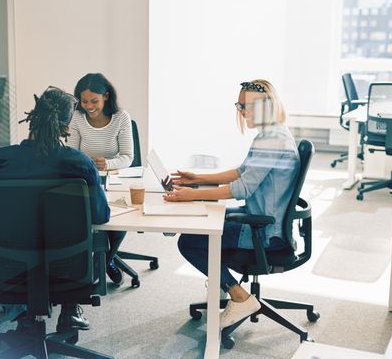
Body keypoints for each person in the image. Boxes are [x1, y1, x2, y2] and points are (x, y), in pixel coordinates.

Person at [0, 86, 111, 333]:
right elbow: (101, 216)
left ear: (32, 117)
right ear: (66, 127)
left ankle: (24, 317)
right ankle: (69, 311)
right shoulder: (80, 164)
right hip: (69, 272)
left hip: (7, 271)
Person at [163, 79, 300, 328]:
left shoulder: (272, 140)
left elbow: (242, 188)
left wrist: (192, 194)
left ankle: (239, 295)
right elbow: (241, 172)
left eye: (247, 106)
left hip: (265, 232)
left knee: (189, 242)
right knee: (206, 219)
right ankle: (222, 282)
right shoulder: (273, 133)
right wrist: (199, 179)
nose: (242, 111)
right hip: (260, 217)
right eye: (240, 105)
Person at [67, 73, 130, 285]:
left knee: (119, 220)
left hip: (113, 179)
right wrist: (84, 165)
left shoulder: (121, 117)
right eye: (84, 101)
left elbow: (128, 157)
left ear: (106, 96)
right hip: (84, 179)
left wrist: (108, 164)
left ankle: (107, 260)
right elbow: (70, 153)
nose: (89, 106)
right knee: (84, 216)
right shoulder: (76, 117)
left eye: (94, 101)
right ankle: (94, 260)